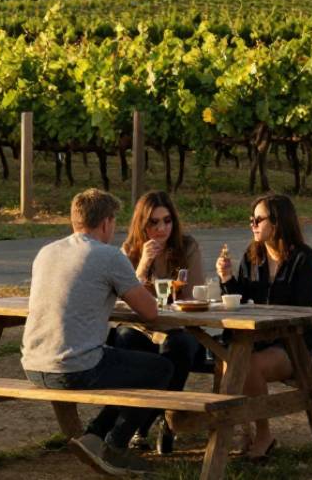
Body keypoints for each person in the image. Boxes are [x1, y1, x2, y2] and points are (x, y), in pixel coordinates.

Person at [22, 188, 169, 477]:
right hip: (72, 367)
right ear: (106, 223)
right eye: (113, 222)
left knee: (126, 362)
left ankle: (95, 436)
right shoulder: (108, 255)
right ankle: (113, 446)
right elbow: (150, 312)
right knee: (161, 368)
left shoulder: (47, 252)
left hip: (33, 365)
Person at [217, 193, 312, 460]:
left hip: (295, 345)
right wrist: (227, 278)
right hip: (258, 342)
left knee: (246, 364)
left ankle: (264, 433)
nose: (253, 224)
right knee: (229, 361)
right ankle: (244, 429)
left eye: (259, 219)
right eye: (251, 219)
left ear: (278, 222)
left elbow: (302, 310)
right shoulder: (253, 256)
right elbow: (237, 300)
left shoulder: (303, 258)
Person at [114, 190, 207, 455]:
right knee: (126, 339)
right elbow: (121, 299)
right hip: (141, 328)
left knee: (177, 345)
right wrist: (143, 265)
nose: (161, 228)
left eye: (167, 221)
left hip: (181, 328)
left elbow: (196, 297)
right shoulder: (129, 251)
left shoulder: (187, 247)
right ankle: (138, 424)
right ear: (142, 224)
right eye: (153, 222)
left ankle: (166, 422)